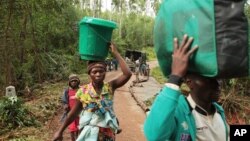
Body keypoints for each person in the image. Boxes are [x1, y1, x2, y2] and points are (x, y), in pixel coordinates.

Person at [144, 35, 229, 141]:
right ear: (189, 82)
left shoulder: (219, 112)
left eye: (219, 78)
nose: (218, 84)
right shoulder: (177, 112)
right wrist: (175, 77)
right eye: (209, 79)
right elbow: (154, 135)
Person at [53, 43, 132, 141]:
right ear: (89, 74)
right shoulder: (83, 91)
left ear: (105, 72)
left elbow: (127, 74)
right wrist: (60, 131)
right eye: (94, 72)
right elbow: (73, 113)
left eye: (101, 71)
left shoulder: (110, 86)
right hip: (88, 134)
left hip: (107, 134)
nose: (98, 74)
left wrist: (115, 53)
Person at [61, 74, 80, 141]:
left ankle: (78, 138)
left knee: (79, 127)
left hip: (79, 113)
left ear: (78, 82)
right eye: (72, 81)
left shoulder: (81, 90)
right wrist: (65, 105)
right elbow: (64, 100)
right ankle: (72, 139)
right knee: (72, 129)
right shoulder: (67, 91)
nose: (74, 82)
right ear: (69, 82)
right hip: (70, 113)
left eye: (75, 81)